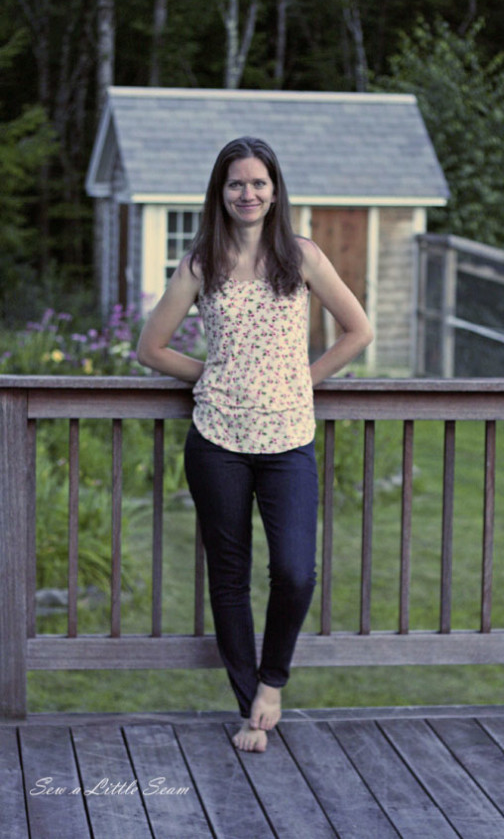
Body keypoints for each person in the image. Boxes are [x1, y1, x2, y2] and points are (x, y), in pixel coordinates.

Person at [137, 136, 373, 753]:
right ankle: (254, 708)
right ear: (221, 191)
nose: (248, 193)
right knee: (231, 577)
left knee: (296, 571)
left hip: (289, 438)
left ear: (275, 191)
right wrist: (214, 376)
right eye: (236, 183)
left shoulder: (302, 256)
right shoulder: (200, 265)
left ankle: (274, 679)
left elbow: (358, 330)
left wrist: (303, 381)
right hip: (217, 440)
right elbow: (151, 348)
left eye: (259, 183)